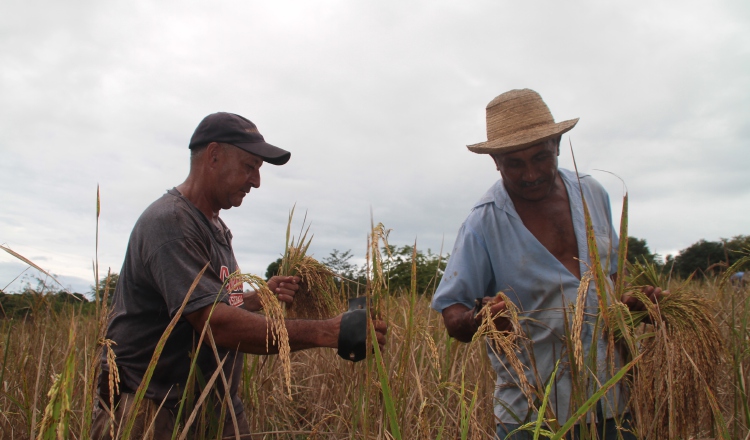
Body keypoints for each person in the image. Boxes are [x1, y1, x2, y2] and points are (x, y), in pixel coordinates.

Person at [91, 112, 387, 439]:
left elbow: (215, 304)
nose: (257, 181)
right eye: (250, 167)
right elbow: (214, 323)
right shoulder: (172, 224)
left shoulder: (215, 227)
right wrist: (325, 333)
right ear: (214, 156)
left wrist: (259, 298)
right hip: (154, 410)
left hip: (212, 405)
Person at [430, 89, 663, 439]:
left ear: (556, 143)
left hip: (614, 401)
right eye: (514, 164)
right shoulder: (483, 223)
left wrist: (634, 307)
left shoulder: (593, 195)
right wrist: (480, 319)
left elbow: (612, 283)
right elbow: (453, 313)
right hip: (533, 414)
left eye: (540, 157)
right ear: (495, 161)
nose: (530, 175)